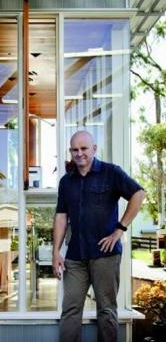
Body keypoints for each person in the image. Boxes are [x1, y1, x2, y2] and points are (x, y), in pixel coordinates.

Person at [52, 130, 145, 342]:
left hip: (105, 254)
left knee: (107, 310)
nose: (79, 154)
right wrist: (56, 251)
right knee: (70, 310)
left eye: (84, 148)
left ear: (94, 149)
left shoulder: (111, 172)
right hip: (75, 255)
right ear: (70, 151)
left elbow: (138, 194)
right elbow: (61, 217)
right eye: (75, 150)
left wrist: (119, 229)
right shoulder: (67, 182)